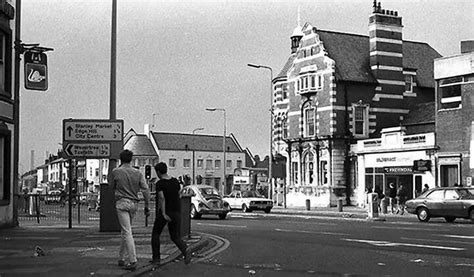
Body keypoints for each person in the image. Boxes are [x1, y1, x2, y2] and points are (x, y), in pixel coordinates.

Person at [109, 149, 151, 271]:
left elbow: (111, 186)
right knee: (125, 231)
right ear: (131, 159)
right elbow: (146, 190)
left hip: (121, 203)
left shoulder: (116, 171)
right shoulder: (137, 173)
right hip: (134, 203)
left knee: (127, 232)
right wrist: (147, 206)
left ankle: (133, 260)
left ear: (121, 159)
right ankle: (121, 258)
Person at [151, 162, 190, 266]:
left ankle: (156, 259)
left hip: (166, 212)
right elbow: (180, 194)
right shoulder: (175, 181)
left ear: (158, 172)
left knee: (155, 234)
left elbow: (162, 198)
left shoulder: (160, 183)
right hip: (176, 211)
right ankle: (185, 250)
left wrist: (163, 213)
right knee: (175, 236)